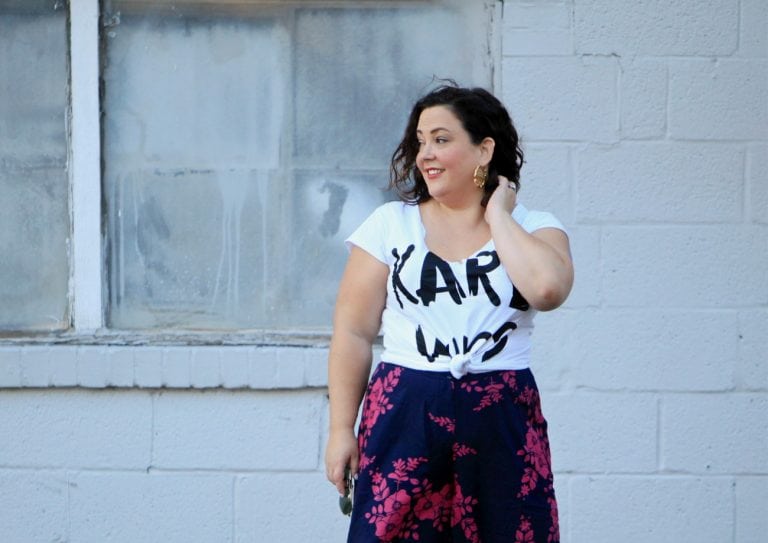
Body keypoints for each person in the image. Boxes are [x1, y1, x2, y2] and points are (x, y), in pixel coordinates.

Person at [325, 83, 574, 543]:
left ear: (484, 150)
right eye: (420, 141)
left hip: (502, 414)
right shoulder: (389, 225)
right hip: (405, 409)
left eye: (441, 139)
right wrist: (341, 428)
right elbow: (354, 332)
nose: (425, 154)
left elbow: (547, 289)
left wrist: (498, 213)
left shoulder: (536, 228)